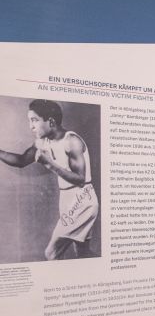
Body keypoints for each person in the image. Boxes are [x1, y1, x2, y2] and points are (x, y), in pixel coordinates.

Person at [0, 99, 98, 259]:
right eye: (29, 121)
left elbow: (80, 180)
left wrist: (49, 164)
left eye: (34, 120)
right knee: (83, 253)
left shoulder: (71, 141)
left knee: (51, 253)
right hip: (67, 199)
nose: (31, 126)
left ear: (51, 122)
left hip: (82, 200)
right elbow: (21, 161)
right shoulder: (42, 142)